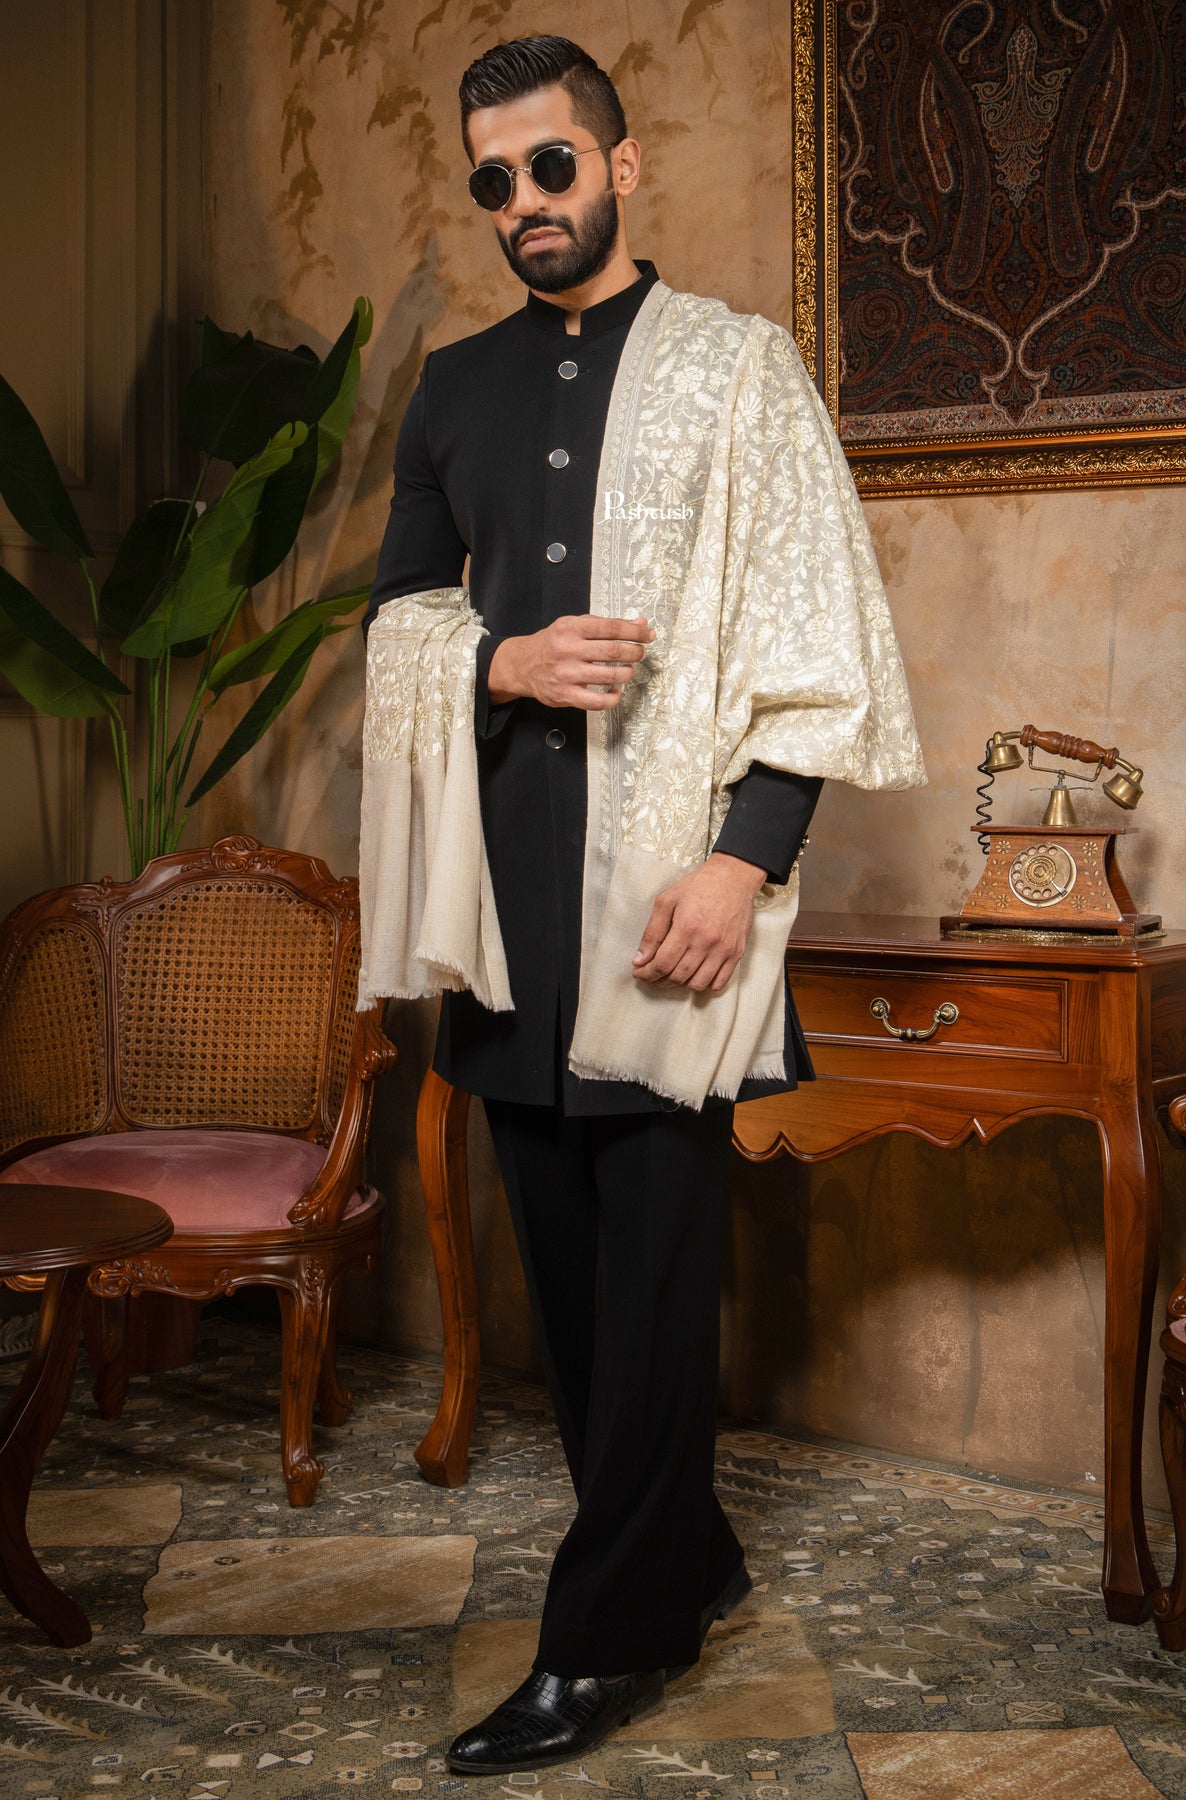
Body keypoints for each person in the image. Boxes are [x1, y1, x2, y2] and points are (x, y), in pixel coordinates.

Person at [357, 34, 924, 1776]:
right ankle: (689, 1549)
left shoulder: (743, 370)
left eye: (552, 164)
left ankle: (607, 1641)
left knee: (663, 1275)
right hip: (507, 914)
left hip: (673, 898)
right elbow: (397, 619)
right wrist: (503, 659)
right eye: (494, 179)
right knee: (577, 1289)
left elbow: (814, 633)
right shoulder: (453, 389)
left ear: (619, 161)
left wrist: (746, 863)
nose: (524, 199)